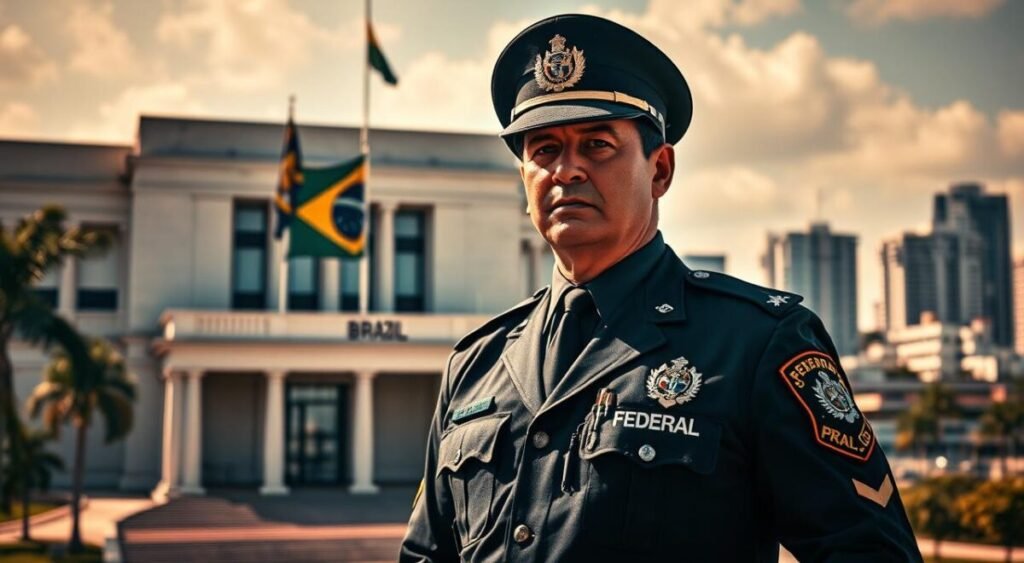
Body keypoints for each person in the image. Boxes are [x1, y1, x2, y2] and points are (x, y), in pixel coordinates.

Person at [400, 13, 923, 562]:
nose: (567, 170)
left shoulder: (756, 343)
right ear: (524, 178)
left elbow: (868, 552)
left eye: (597, 144)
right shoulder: (477, 364)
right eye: (544, 149)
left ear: (660, 171)